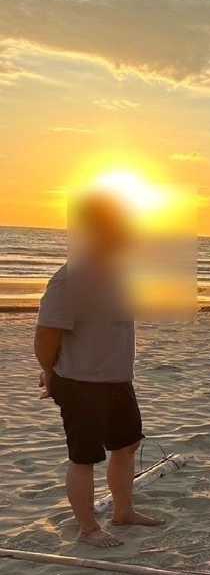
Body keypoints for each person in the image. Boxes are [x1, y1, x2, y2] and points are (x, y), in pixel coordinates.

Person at [35, 192, 162, 547]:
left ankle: (123, 512)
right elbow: (46, 334)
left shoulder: (118, 273)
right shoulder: (70, 278)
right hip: (80, 382)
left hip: (118, 380)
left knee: (127, 445)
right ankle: (88, 528)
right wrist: (49, 371)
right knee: (84, 457)